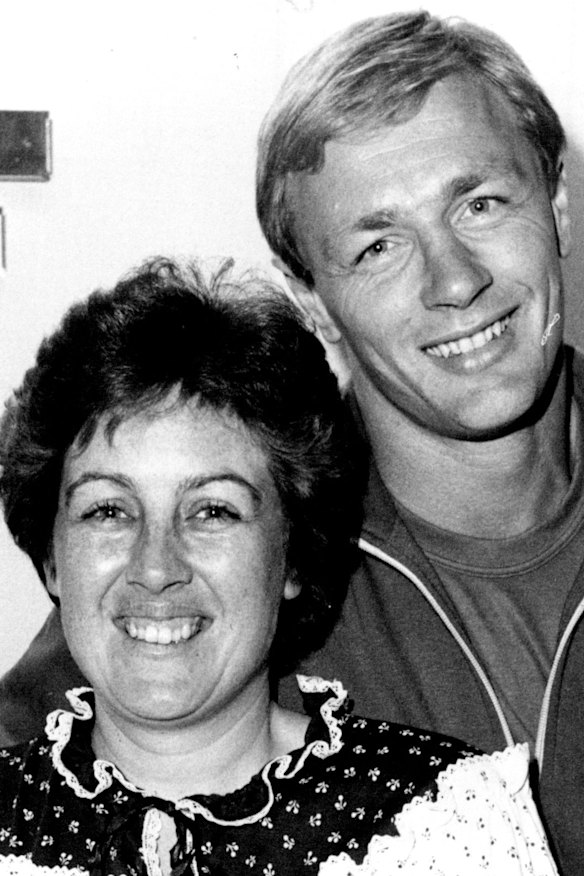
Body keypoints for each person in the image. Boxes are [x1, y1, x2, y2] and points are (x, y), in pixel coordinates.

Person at [0, 258, 558, 875]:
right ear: (52, 558)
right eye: (108, 510)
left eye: (212, 510)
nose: (155, 567)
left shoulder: (447, 827)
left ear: (293, 554)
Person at [254, 11, 583, 875]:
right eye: (378, 245)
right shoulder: (247, 547)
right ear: (315, 302)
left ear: (556, 208)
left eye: (479, 203)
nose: (455, 281)